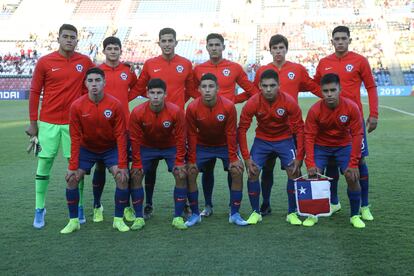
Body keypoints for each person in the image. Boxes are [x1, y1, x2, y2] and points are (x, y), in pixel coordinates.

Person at [244, 34, 322, 216]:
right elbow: (256, 94)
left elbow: (312, 86)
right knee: (267, 168)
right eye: (274, 48)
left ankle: (297, 208)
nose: (278, 51)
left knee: (294, 168)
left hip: (291, 129)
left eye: (281, 48)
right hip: (267, 129)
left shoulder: (298, 69)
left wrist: (334, 98)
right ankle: (265, 203)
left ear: (286, 49)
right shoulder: (263, 71)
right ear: (270, 50)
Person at [26, 24, 94, 229]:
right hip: (47, 122)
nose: (69, 40)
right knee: (44, 164)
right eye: (65, 36)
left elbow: (89, 89)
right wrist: (33, 123)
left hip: (73, 124)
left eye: (73, 37)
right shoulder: (45, 62)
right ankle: (39, 209)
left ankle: (80, 206)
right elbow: (35, 92)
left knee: (75, 166)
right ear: (58, 39)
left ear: (77, 40)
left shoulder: (85, 61)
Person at [314, 26, 378, 220]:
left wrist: (373, 113)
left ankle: (364, 205)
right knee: (332, 163)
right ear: (331, 41)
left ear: (349, 40)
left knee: (359, 161)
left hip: (353, 121)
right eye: (336, 39)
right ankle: (334, 203)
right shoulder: (324, 62)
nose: (340, 41)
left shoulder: (360, 61)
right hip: (329, 122)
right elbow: (316, 85)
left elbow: (371, 86)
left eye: (343, 38)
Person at [131, 28, 195, 219]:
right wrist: (153, 101)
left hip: (176, 125)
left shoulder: (185, 63)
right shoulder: (150, 64)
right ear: (159, 43)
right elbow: (140, 87)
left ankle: (184, 206)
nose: (167, 44)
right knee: (148, 170)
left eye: (170, 40)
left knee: (181, 168)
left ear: (176, 42)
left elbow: (191, 90)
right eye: (163, 41)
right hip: (151, 125)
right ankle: (148, 204)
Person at [193, 33, 259, 216]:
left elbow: (252, 90)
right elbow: (192, 90)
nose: (214, 48)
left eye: (217, 45)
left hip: (227, 129)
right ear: (206, 47)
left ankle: (233, 205)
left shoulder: (234, 67)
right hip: (205, 130)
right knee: (207, 170)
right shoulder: (198, 69)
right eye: (211, 45)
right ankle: (208, 205)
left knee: (233, 167)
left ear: (223, 47)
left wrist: (232, 100)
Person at [61, 67, 129, 234]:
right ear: (85, 83)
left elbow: (121, 136)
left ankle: (118, 220)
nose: (94, 84)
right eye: (90, 81)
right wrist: (72, 166)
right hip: (87, 149)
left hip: (110, 148)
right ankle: (74, 221)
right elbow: (75, 138)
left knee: (122, 177)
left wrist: (122, 164)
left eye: (97, 81)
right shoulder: (77, 106)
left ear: (104, 83)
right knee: (71, 179)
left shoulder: (115, 104)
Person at [238, 69, 304, 225]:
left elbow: (300, 129)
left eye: (272, 85)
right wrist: (247, 159)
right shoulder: (253, 102)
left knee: (293, 171)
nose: (268, 89)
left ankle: (292, 213)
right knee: (253, 171)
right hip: (263, 140)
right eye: (265, 86)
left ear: (279, 85)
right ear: (259, 85)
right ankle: (256, 212)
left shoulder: (288, 102)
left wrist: (300, 157)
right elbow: (241, 130)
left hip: (285, 139)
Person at [304, 73, 365, 228]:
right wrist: (310, 162)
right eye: (325, 91)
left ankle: (355, 215)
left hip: (344, 146)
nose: (329, 94)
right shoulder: (314, 110)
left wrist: (354, 162)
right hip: (321, 147)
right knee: (314, 175)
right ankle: (313, 214)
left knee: (352, 176)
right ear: (321, 91)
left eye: (333, 90)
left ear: (340, 89)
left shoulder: (351, 107)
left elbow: (358, 135)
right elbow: (309, 137)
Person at [186, 73, 247, 226]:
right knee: (190, 171)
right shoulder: (192, 107)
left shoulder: (228, 106)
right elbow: (191, 135)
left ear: (217, 88)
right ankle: (197, 213)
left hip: (224, 145)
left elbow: (231, 133)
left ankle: (234, 213)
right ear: (199, 89)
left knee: (237, 170)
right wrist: (192, 159)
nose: (207, 90)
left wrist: (233, 158)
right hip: (203, 145)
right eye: (204, 87)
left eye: (211, 86)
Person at [129, 78, 188, 230]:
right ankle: (139, 216)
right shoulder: (137, 112)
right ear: (147, 94)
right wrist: (136, 163)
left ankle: (178, 216)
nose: (155, 96)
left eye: (159, 93)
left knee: (181, 173)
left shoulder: (176, 111)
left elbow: (181, 138)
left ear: (165, 94)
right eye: (152, 93)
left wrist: (180, 161)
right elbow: (134, 140)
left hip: (170, 147)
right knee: (136, 174)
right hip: (147, 147)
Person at [91, 36, 138, 223]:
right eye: (109, 48)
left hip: (123, 126)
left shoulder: (127, 70)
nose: (112, 51)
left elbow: (136, 88)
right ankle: (97, 205)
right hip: (101, 127)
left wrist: (124, 101)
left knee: (123, 166)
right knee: (100, 165)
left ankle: (126, 207)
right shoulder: (97, 71)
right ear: (104, 51)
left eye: (116, 48)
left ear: (120, 51)